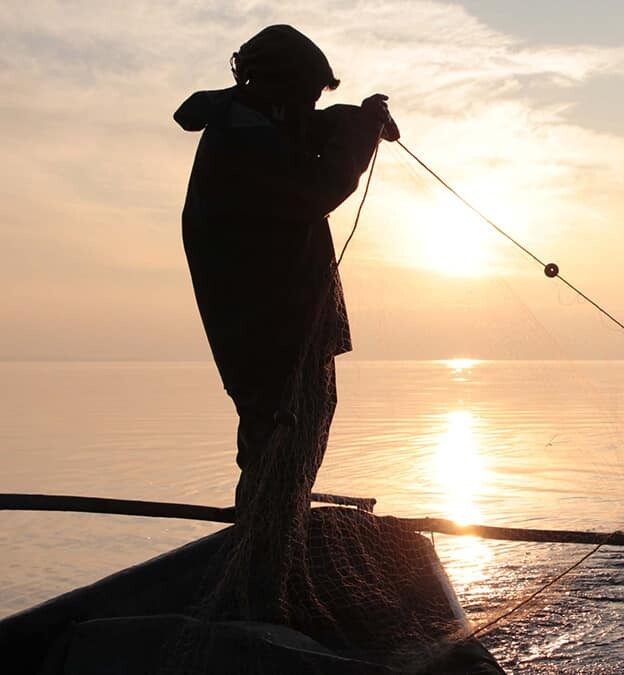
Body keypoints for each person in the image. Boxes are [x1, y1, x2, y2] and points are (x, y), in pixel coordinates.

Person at [174, 24, 398, 622]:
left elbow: (309, 132)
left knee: (289, 452)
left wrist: (358, 118)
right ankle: (257, 597)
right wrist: (359, 138)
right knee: (278, 451)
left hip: (290, 327)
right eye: (309, 96)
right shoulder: (244, 143)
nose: (313, 109)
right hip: (270, 334)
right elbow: (314, 189)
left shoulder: (257, 126)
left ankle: (266, 578)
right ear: (276, 88)